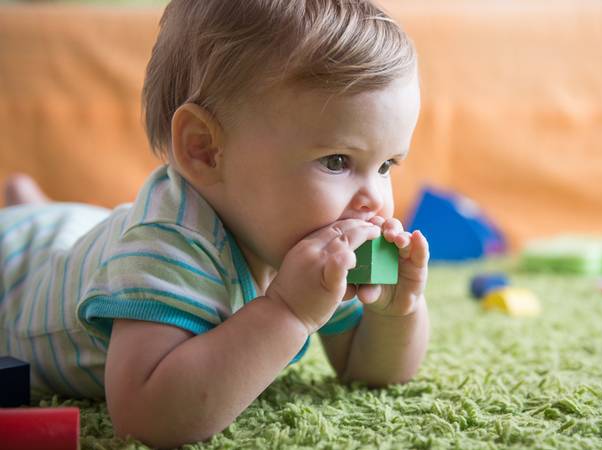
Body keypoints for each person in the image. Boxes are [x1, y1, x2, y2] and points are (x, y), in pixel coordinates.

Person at [0, 0, 429, 446]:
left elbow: (367, 372)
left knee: (84, 228)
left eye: (386, 166)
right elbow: (145, 414)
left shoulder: (303, 239)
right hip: (14, 266)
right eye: (338, 161)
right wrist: (287, 312)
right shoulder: (168, 247)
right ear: (205, 149)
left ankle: (37, 202)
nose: (375, 201)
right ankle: (28, 208)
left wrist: (396, 313)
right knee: (51, 244)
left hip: (90, 230)